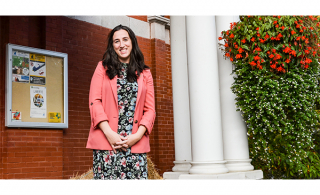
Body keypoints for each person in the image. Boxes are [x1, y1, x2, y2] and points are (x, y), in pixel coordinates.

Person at [86, 24, 156, 180]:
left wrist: (137, 136)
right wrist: (110, 134)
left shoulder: (145, 73)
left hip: (135, 144)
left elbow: (150, 109)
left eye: (125, 39)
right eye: (116, 41)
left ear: (132, 42)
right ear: (112, 46)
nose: (122, 44)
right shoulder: (102, 68)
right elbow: (94, 101)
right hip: (108, 143)